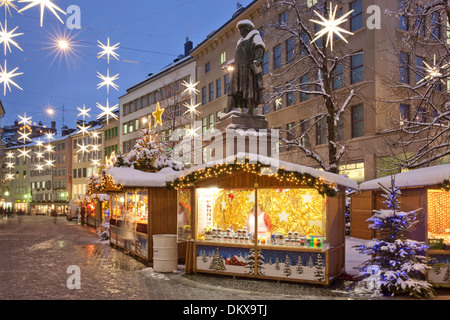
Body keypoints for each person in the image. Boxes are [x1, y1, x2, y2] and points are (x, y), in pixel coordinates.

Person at [226, 19, 265, 116]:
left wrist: (257, 60)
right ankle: (227, 111)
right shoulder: (240, 41)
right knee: (232, 88)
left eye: (241, 28)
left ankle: (250, 111)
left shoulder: (254, 36)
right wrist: (232, 63)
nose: (239, 31)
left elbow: (259, 48)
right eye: (239, 29)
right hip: (238, 69)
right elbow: (239, 56)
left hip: (248, 68)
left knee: (249, 89)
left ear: (247, 28)